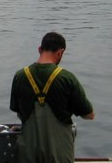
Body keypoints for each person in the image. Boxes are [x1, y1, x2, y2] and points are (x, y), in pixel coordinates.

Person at [10, 32, 95, 163]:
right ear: (60, 52)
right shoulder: (66, 78)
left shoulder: (20, 76)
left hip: (28, 153)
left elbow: (17, 111)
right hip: (59, 154)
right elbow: (89, 115)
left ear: (39, 49)